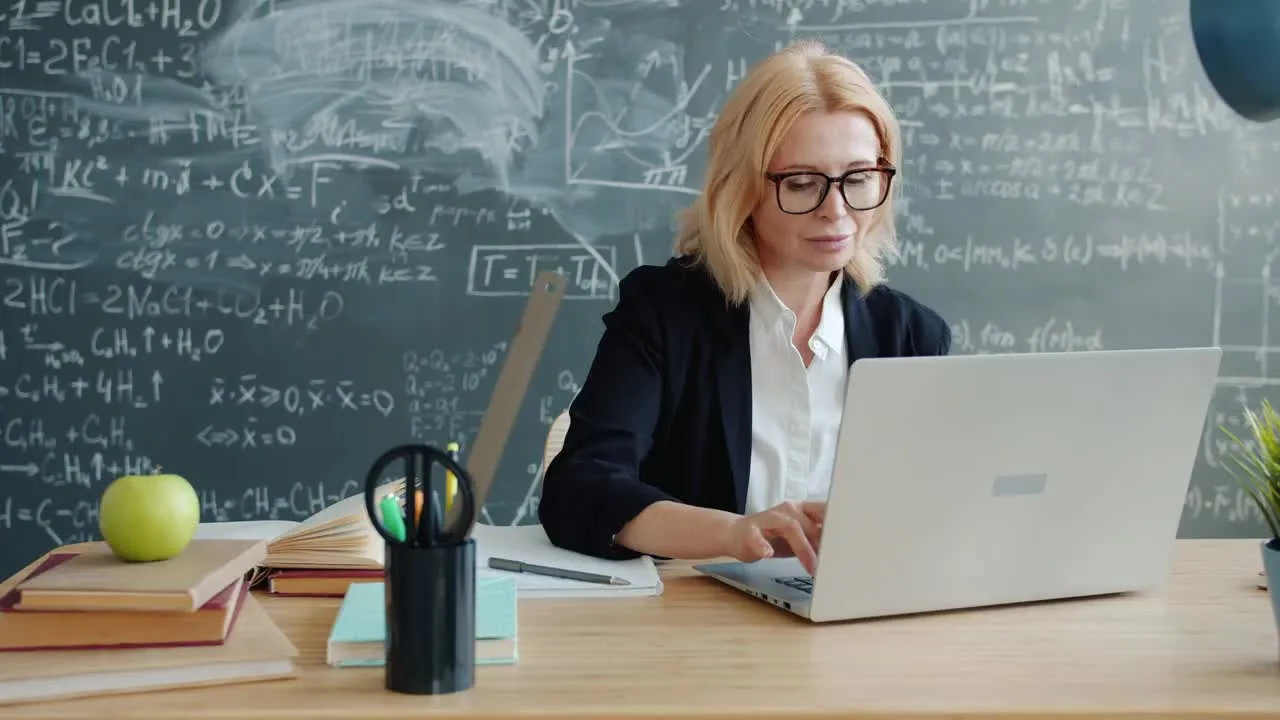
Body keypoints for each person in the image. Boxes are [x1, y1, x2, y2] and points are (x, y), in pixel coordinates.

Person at [538, 40, 951, 576]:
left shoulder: (913, 335)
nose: (836, 210)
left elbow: (930, 512)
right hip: (691, 613)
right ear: (743, 189)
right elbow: (580, 488)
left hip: (848, 611)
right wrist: (734, 534)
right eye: (801, 183)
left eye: (857, 179)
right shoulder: (664, 312)